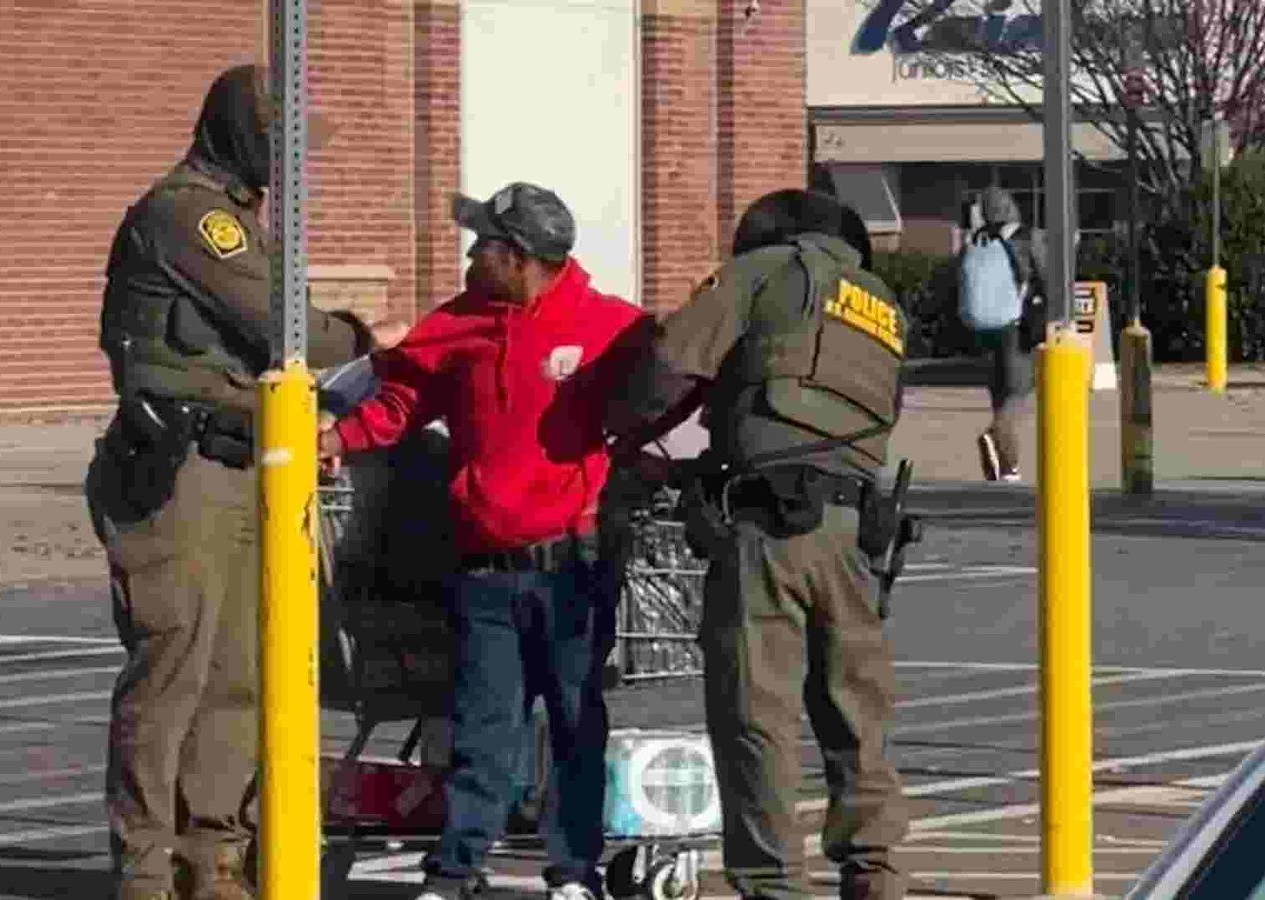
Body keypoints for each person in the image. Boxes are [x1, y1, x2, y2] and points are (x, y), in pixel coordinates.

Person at [85, 63, 404, 900]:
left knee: (238, 680)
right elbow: (286, 326)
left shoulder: (238, 218)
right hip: (178, 471)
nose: (294, 162)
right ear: (241, 136)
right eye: (281, 142)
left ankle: (214, 858)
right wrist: (369, 340)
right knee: (172, 675)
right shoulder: (189, 217)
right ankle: (146, 870)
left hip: (238, 465)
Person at [318, 181, 649, 900]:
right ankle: (455, 872)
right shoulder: (458, 324)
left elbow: (673, 379)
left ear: (520, 257)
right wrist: (335, 437)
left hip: (573, 570)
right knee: (482, 728)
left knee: (575, 723)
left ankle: (574, 872)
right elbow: (400, 401)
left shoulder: (608, 325)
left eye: (483, 246)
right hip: (483, 573)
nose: (470, 257)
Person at [604, 188, 911, 900]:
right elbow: (834, 422)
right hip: (857, 534)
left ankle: (775, 886)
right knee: (856, 715)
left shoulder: (766, 269)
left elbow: (668, 369)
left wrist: (611, 429)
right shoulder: (881, 306)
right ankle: (875, 874)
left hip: (770, 529)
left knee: (756, 713)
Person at [960, 186, 1046, 483]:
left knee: (999, 393)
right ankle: (995, 437)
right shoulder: (1028, 236)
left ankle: (1008, 466)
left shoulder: (975, 240)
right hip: (1016, 327)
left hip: (983, 329)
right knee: (1017, 392)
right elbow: (1047, 276)